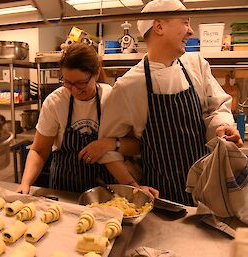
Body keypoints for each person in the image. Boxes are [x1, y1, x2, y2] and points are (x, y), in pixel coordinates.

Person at [90, 0, 242, 206]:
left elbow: (216, 108)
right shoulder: (129, 86)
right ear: (159, 26)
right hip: (161, 196)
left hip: (206, 190)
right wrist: (134, 186)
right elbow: (107, 149)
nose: (190, 31)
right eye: (185, 23)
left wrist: (223, 126)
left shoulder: (196, 65)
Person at [16, 43, 159, 196]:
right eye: (68, 83)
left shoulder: (111, 98)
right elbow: (39, 150)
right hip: (64, 188)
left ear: (96, 74)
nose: (75, 90)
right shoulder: (55, 102)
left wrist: (110, 144)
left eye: (81, 83)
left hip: (105, 190)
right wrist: (25, 184)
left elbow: (136, 146)